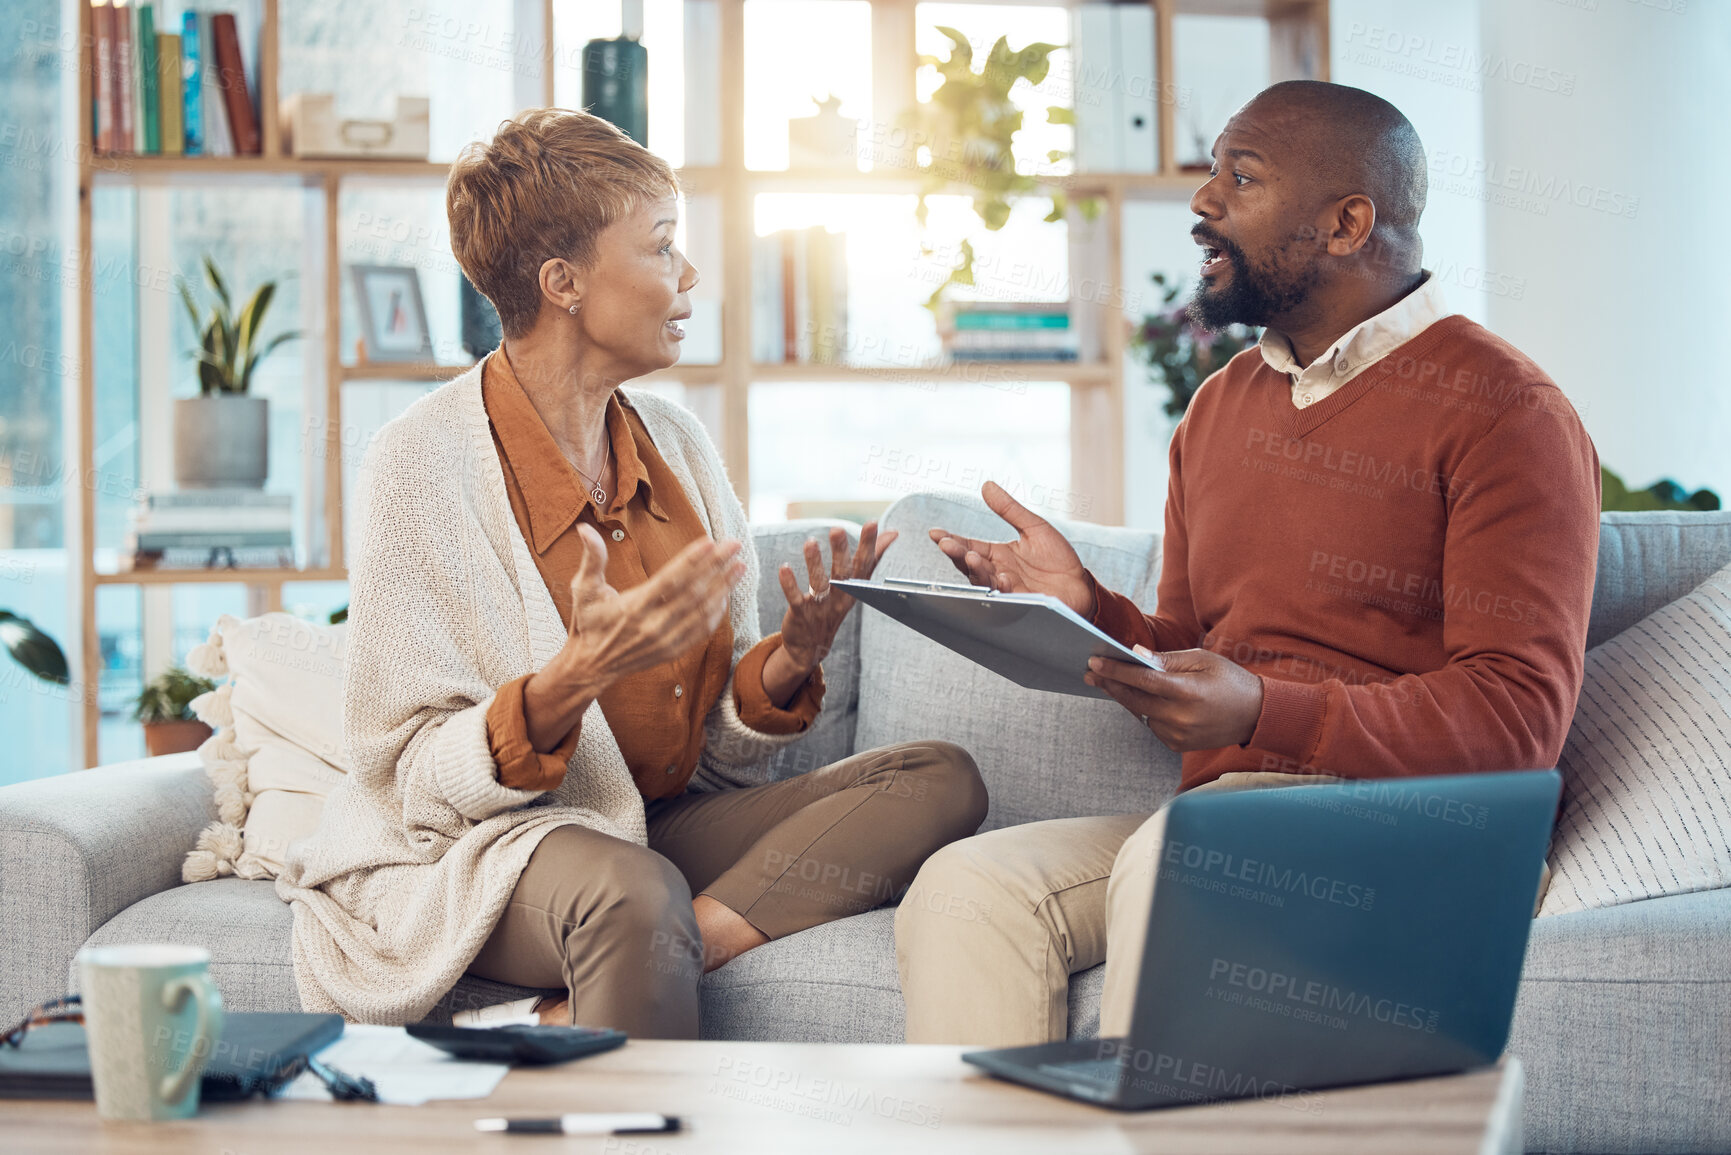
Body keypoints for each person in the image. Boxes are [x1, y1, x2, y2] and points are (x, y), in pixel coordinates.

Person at [893, 80, 1599, 1045]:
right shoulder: (1222, 405)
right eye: (1212, 171)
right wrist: (1088, 608)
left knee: (1187, 853)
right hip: (1235, 811)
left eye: (1242, 176)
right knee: (968, 886)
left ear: (1347, 222)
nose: (1202, 202)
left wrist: (1268, 711)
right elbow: (1191, 649)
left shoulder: (1506, 411)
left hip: (1429, 832)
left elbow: (1517, 718)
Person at [276, 109, 987, 1037]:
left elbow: (718, 755)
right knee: (630, 894)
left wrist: (788, 660)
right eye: (660, 247)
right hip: (482, 843)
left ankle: (636, 969)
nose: (688, 275)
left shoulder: (678, 445)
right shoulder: (419, 464)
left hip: (651, 823)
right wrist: (572, 678)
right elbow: (409, 774)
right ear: (563, 283)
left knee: (940, 776)